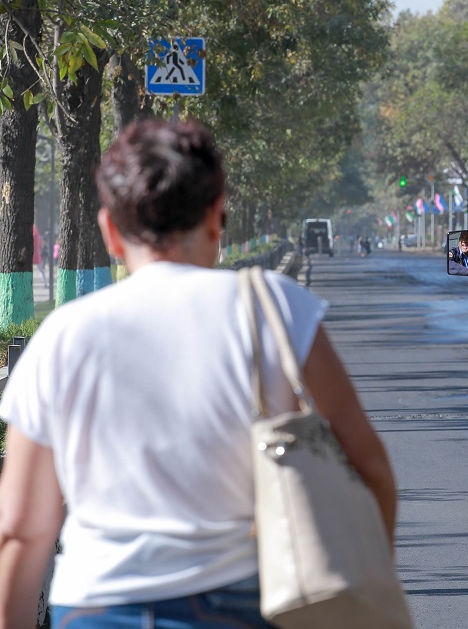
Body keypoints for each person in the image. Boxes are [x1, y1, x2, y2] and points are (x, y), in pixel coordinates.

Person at [0, 119, 396, 629]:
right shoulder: (272, 309)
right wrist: (365, 589)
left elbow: (20, 532)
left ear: (110, 233)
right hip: (241, 605)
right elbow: (372, 468)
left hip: (97, 606)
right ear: (217, 216)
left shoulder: (62, 337)